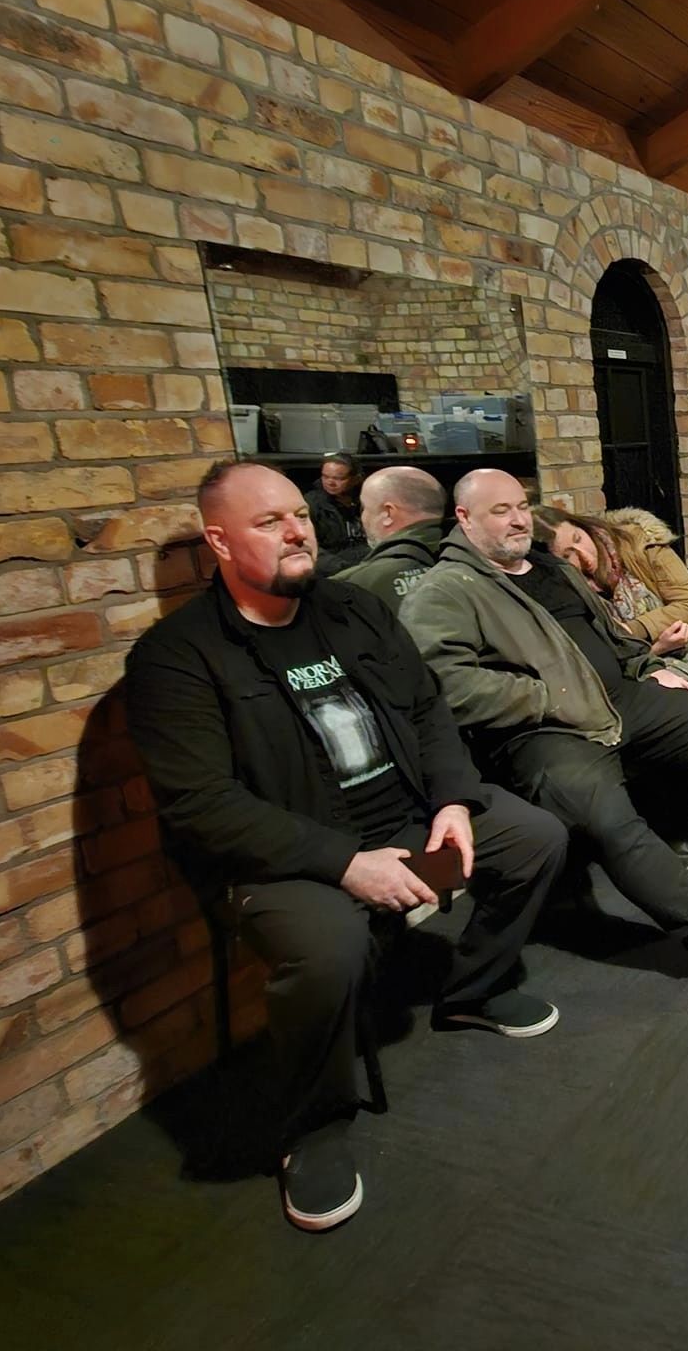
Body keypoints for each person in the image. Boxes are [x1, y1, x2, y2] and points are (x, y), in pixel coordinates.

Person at [124, 461, 568, 1234]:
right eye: (269, 522)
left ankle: (472, 990)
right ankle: (315, 1124)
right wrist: (346, 865)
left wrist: (454, 802)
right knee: (329, 949)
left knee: (535, 836)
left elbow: (427, 709)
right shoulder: (177, 657)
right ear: (219, 542)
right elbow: (202, 805)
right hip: (290, 854)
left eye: (298, 515)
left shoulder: (353, 609)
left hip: (404, 817)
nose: (296, 531)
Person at [400, 470, 688, 985]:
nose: (518, 519)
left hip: (619, 697)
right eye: (500, 511)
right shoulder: (446, 590)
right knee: (611, 821)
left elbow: (607, 636)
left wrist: (646, 663)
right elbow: (446, 686)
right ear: (463, 518)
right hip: (545, 730)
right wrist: (549, 698)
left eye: (522, 506)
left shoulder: (552, 568)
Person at [538, 505, 688, 720]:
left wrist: (628, 631)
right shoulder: (565, 592)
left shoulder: (639, 540)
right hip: (642, 658)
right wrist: (656, 648)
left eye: (578, 539)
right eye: (567, 556)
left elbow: (687, 604)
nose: (584, 556)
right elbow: (603, 656)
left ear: (583, 526)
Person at [336, 465, 448, 605]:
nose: (362, 517)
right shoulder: (469, 564)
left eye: (364, 508)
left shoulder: (350, 586)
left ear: (388, 513)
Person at [305, 450, 368, 572]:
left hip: (370, 563)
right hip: (336, 570)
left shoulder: (368, 499)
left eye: (338, 478)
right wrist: (340, 567)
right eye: (325, 476)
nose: (330, 483)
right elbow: (309, 545)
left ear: (356, 479)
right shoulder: (311, 504)